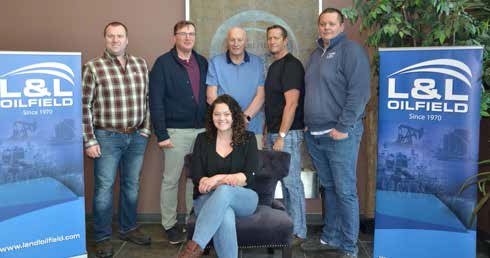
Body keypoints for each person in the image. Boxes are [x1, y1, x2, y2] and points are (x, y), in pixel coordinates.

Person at [300, 8, 371, 258]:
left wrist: (342, 127)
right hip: (316, 135)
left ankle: (349, 247)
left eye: (331, 23)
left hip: (340, 135)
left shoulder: (351, 51)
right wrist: (308, 122)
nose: (326, 27)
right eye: (323, 24)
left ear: (342, 25)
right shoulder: (316, 55)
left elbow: (360, 93)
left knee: (345, 190)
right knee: (329, 188)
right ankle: (330, 238)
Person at [82, 21, 152, 258]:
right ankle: (101, 238)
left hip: (136, 136)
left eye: (120, 36)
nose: (115, 40)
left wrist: (145, 130)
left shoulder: (140, 64)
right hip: (106, 137)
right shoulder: (93, 67)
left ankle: (128, 228)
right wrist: (89, 140)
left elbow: (148, 100)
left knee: (131, 185)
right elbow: (84, 106)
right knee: (104, 188)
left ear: (127, 39)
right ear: (105, 39)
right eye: (111, 36)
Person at [149, 20, 208, 245]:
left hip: (201, 131)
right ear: (174, 37)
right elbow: (156, 102)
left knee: (195, 179)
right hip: (174, 132)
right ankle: (170, 225)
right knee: (171, 180)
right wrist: (162, 134)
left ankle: (192, 221)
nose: (187, 37)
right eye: (183, 33)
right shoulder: (163, 63)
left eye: (191, 33)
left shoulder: (202, 62)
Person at [178, 94, 259, 258]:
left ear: (234, 116)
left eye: (227, 114)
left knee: (224, 191)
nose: (222, 118)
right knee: (226, 215)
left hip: (244, 199)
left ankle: (193, 249)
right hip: (207, 199)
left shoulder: (248, 139)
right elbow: (199, 179)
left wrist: (216, 179)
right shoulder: (202, 139)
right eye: (217, 114)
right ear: (211, 116)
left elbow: (247, 177)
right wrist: (225, 180)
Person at [264, 24, 307, 244]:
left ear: (285, 41)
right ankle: (289, 227)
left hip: (287, 134)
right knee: (281, 183)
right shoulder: (273, 67)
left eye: (276, 38)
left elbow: (291, 104)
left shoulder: (292, 66)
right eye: (269, 38)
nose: (272, 42)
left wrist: (281, 135)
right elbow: (272, 104)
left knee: (292, 184)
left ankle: (299, 231)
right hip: (274, 133)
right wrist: (268, 133)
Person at [206, 27, 265, 148]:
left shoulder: (257, 62)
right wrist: (229, 119)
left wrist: (244, 118)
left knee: (252, 166)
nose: (236, 44)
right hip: (224, 130)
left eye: (239, 40)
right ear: (227, 41)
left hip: (252, 128)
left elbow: (261, 96)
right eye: (232, 40)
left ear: (245, 42)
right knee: (225, 167)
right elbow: (211, 96)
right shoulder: (215, 62)